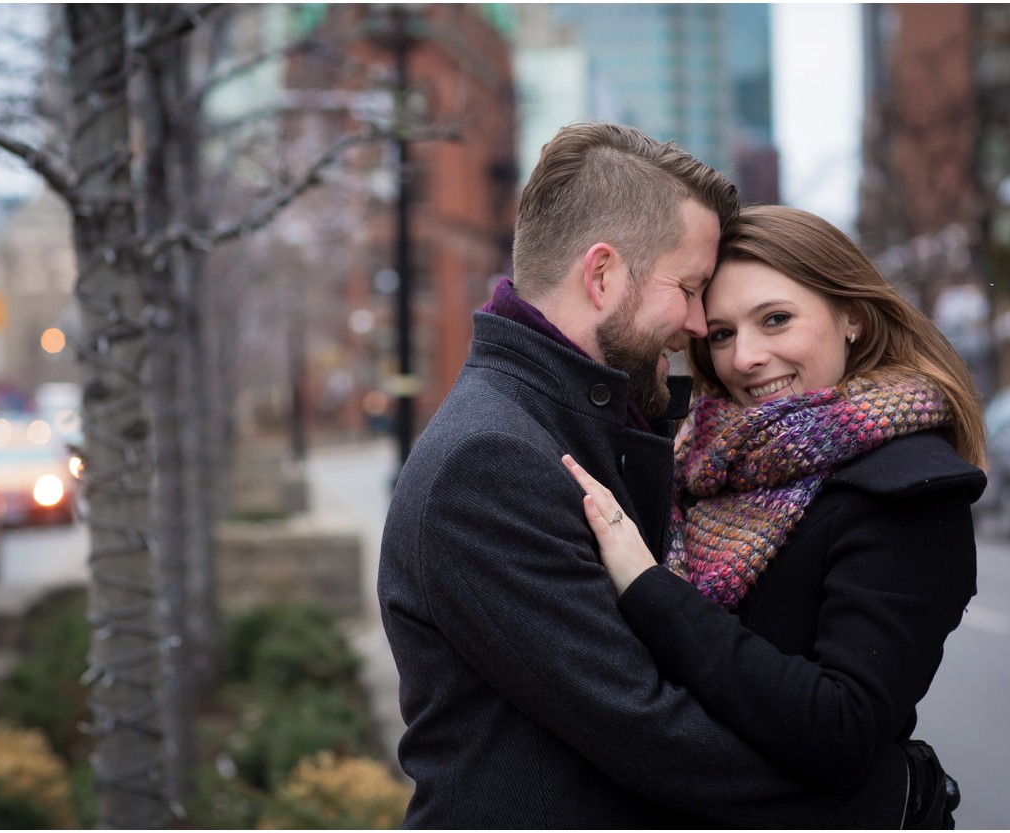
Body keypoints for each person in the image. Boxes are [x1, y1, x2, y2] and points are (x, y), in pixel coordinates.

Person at [378, 122, 916, 827]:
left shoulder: (583, 422)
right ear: (602, 274)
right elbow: (648, 726)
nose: (698, 323)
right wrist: (890, 798)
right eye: (690, 288)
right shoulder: (490, 462)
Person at [564, 204, 982, 828]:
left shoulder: (911, 490)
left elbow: (841, 730)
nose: (746, 358)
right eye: (725, 333)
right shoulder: (699, 466)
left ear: (853, 320)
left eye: (776, 320)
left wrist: (651, 589)